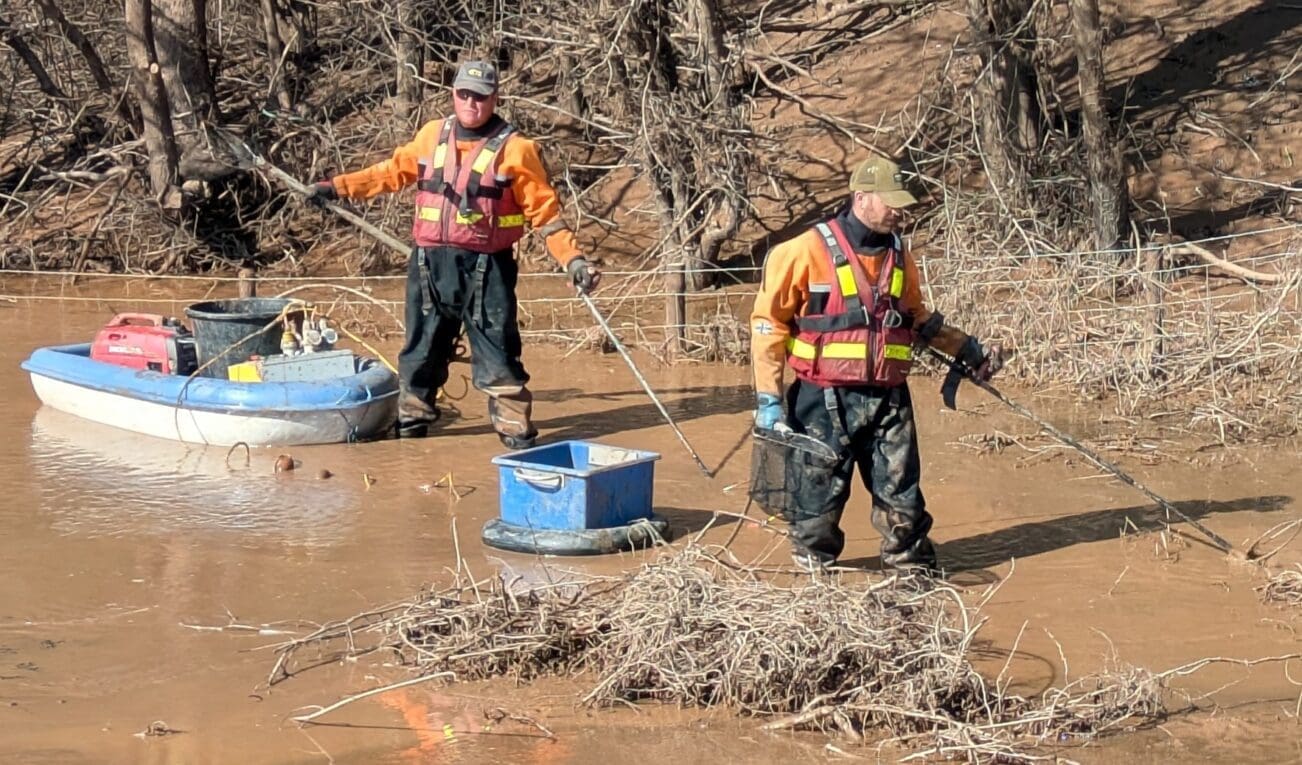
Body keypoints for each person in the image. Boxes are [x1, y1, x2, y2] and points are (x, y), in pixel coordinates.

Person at [306, 60, 600, 447]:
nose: (471, 103)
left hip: (487, 271)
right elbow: (389, 172)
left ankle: (516, 434)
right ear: (453, 95)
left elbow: (545, 214)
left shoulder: (518, 149)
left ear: (494, 98)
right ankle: (412, 423)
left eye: (480, 97)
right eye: (464, 95)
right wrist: (337, 187)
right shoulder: (432, 136)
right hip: (429, 267)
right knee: (420, 350)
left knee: (498, 354)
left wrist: (573, 260)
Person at [749, 155, 1002, 573]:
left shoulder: (900, 254)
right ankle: (814, 586)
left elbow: (917, 317)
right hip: (821, 402)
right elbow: (768, 325)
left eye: (902, 203)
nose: (900, 212)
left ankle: (911, 582)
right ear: (861, 196)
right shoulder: (800, 252)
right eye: (891, 202)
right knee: (815, 511)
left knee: (903, 501)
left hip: (889, 400)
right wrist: (769, 400)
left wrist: (967, 350)